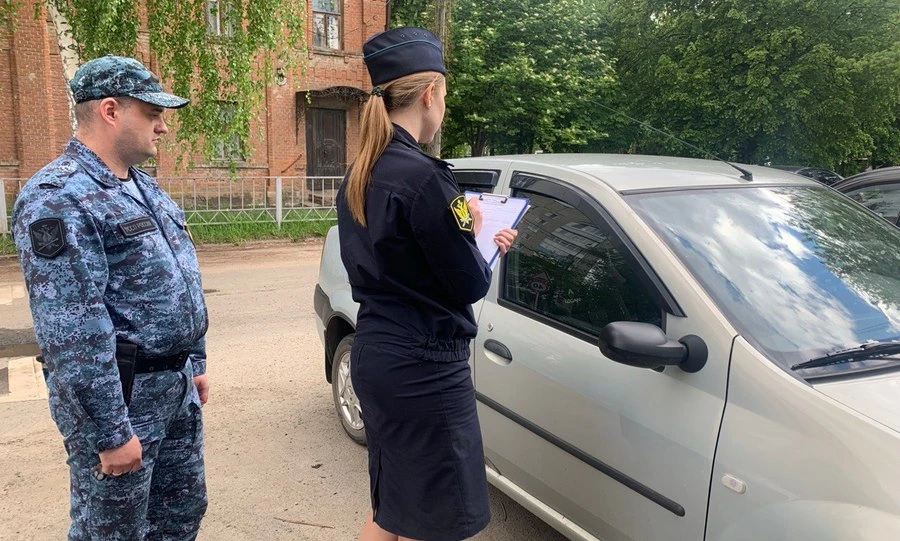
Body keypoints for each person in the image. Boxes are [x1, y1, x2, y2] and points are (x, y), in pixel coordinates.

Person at [12, 55, 209, 541]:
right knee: (112, 531)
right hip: (123, 401)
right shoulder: (58, 197)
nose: (163, 127)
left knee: (180, 516)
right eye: (153, 113)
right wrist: (110, 432)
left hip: (173, 388)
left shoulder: (142, 187)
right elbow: (72, 330)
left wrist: (195, 361)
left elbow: (178, 279)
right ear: (110, 110)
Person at [337, 26, 518, 541]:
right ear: (430, 93)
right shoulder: (427, 178)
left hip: (379, 355)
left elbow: (398, 263)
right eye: (445, 95)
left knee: (393, 509)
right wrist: (477, 239)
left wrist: (466, 236)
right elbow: (468, 284)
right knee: (432, 522)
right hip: (425, 370)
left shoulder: (361, 171)